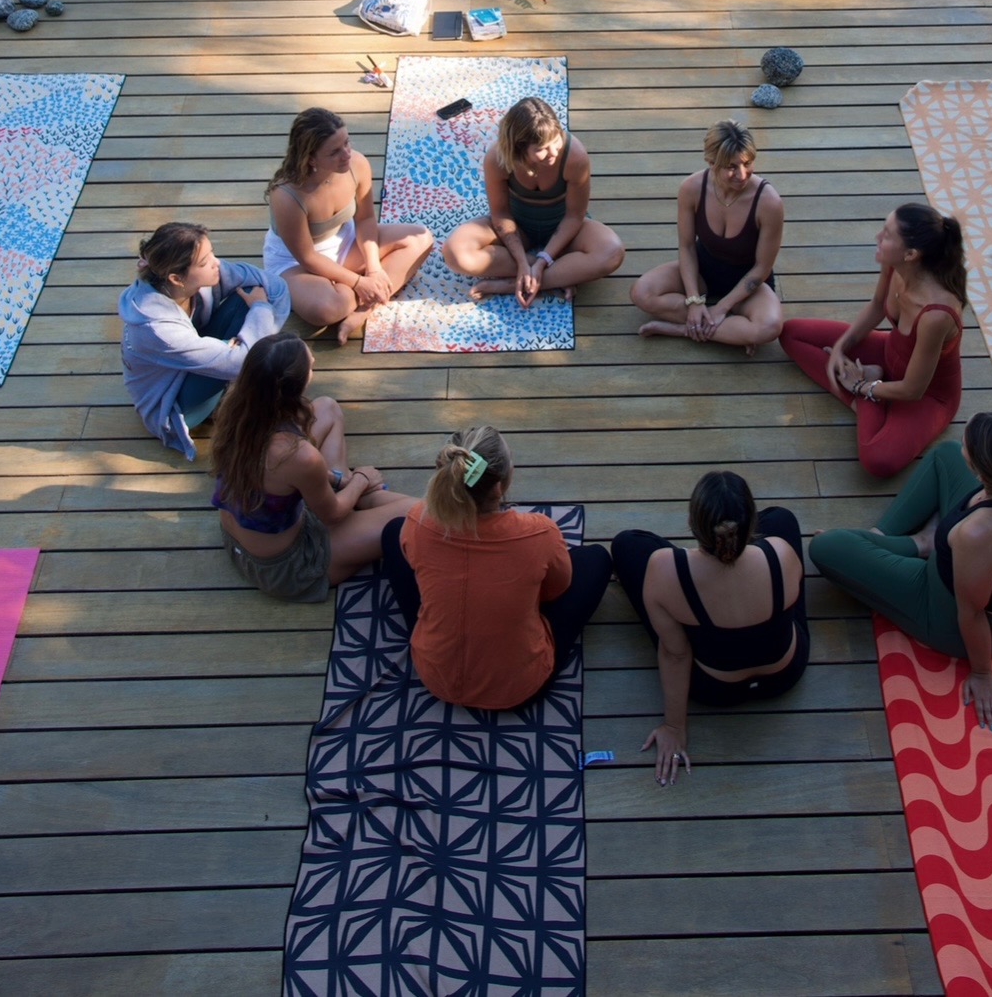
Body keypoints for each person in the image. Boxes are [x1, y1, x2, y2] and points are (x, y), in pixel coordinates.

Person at [810, 411, 992, 729]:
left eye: (969, 445)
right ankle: (888, 540)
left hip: (953, 618)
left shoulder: (977, 535)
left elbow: (972, 613)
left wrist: (982, 672)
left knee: (825, 547)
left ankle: (917, 543)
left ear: (980, 472)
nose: (964, 442)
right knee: (944, 453)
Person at [380, 425, 612, 709]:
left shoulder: (418, 519)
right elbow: (556, 590)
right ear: (501, 484)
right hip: (518, 688)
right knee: (597, 559)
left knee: (394, 531)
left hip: (434, 676)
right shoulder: (540, 533)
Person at [612, 472, 808, 786]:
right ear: (750, 524)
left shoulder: (665, 570)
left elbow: (675, 655)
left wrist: (675, 728)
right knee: (782, 519)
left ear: (692, 524)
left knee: (629, 544)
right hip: (784, 673)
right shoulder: (782, 554)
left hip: (715, 688)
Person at [209, 333, 415, 602]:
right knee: (415, 513)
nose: (314, 360)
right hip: (287, 566)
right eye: (310, 363)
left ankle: (352, 490)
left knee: (327, 408)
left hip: (239, 539)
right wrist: (361, 480)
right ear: (295, 386)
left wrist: (339, 482)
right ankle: (362, 494)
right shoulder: (299, 456)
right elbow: (333, 515)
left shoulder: (237, 408)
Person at [779, 203, 965, 478]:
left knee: (877, 460)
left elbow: (913, 389)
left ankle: (864, 395)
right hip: (889, 352)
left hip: (926, 395)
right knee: (791, 333)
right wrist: (842, 346)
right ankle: (868, 389)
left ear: (911, 254)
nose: (878, 237)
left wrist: (862, 386)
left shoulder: (936, 314)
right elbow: (878, 306)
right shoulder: (895, 264)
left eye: (887, 235)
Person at [119, 221, 291, 458]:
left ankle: (245, 374)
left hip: (193, 357)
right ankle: (240, 394)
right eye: (204, 262)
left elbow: (276, 287)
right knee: (255, 310)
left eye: (211, 253)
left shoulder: (196, 277)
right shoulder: (156, 328)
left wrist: (257, 341)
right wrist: (260, 311)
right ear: (177, 279)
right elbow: (242, 363)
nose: (216, 263)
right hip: (174, 402)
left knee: (251, 295)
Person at [264, 107, 433, 343]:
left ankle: (363, 310)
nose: (346, 154)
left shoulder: (357, 164)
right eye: (334, 152)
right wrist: (358, 281)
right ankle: (357, 291)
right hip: (296, 262)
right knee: (325, 310)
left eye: (347, 142)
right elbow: (308, 257)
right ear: (310, 157)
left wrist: (373, 268)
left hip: (345, 244)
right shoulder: (287, 196)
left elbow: (365, 219)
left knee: (421, 238)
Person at [441, 97, 624, 305]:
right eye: (542, 148)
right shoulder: (497, 158)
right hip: (518, 226)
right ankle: (558, 275)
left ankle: (513, 284)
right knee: (455, 252)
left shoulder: (575, 156)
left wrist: (542, 262)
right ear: (519, 148)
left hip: (565, 227)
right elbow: (501, 214)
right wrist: (522, 262)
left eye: (556, 141)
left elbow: (574, 216)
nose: (553, 152)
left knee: (611, 252)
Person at [629, 120, 783, 352]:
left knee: (769, 327)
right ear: (711, 162)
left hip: (747, 280)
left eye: (748, 163)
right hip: (704, 268)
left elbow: (761, 268)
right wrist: (693, 301)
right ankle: (730, 331)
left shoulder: (769, 202)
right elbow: (687, 247)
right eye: (731, 166)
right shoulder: (691, 188)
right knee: (642, 293)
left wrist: (721, 307)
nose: (742, 174)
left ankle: (683, 330)